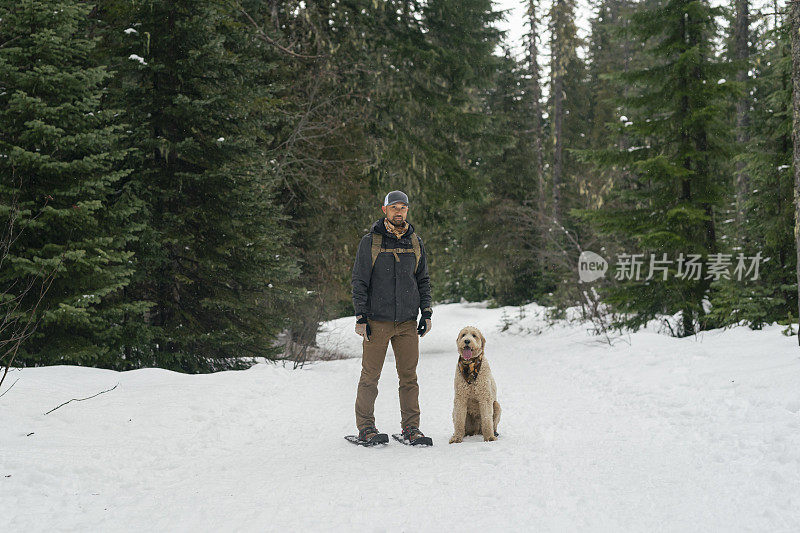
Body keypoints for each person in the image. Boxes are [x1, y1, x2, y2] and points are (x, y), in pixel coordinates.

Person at [351, 190, 432, 445]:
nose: (399, 211)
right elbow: (359, 281)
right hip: (377, 322)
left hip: (407, 323)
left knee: (409, 377)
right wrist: (361, 316)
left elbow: (423, 280)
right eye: (394, 207)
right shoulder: (371, 242)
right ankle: (366, 428)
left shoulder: (415, 241)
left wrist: (426, 312)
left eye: (403, 207)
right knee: (370, 377)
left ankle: (411, 429)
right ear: (384, 209)